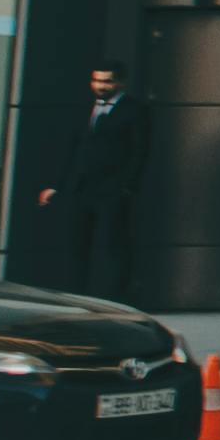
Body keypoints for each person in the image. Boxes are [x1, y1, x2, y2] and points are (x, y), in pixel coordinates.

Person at [59, 64, 152, 304]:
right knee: (77, 244)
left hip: (113, 190)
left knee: (114, 245)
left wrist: (126, 187)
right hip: (83, 188)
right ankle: (75, 299)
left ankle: (115, 300)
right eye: (97, 81)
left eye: (107, 82)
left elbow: (141, 151)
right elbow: (73, 148)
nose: (101, 86)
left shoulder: (135, 110)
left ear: (120, 83)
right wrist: (58, 185)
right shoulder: (85, 107)